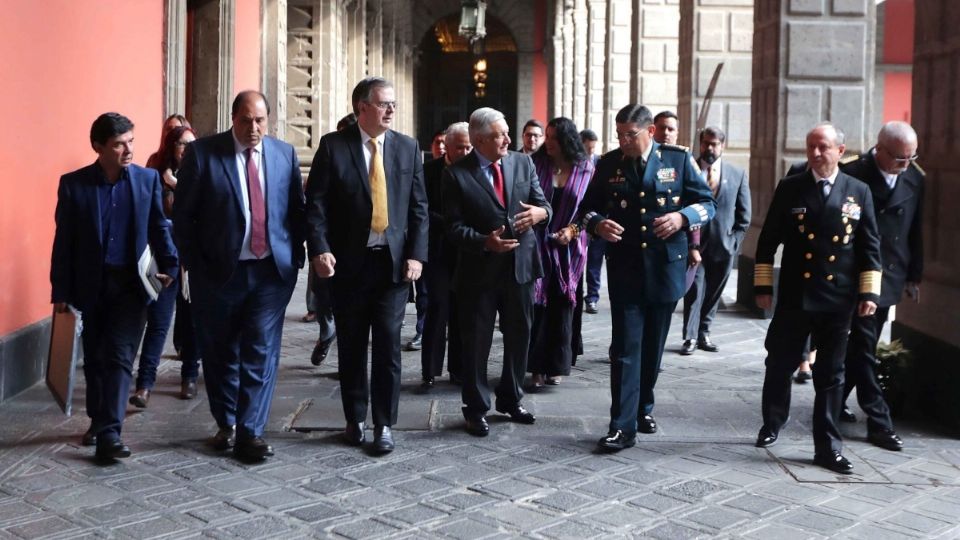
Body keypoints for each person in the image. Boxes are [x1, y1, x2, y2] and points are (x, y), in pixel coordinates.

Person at [174, 90, 306, 462]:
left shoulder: (284, 154)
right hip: (217, 274)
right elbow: (184, 217)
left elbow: (296, 209)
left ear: (269, 120)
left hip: (270, 273)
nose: (254, 128)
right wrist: (195, 264)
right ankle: (227, 422)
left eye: (260, 120)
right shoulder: (203, 154)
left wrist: (296, 257)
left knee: (261, 350)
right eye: (246, 120)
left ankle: (251, 432)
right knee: (219, 354)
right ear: (233, 119)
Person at [578, 104, 715, 451]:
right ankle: (621, 427)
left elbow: (707, 203)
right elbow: (587, 209)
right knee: (624, 349)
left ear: (650, 132)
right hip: (625, 269)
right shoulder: (608, 164)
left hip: (666, 268)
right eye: (619, 134)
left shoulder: (678, 161)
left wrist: (682, 218)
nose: (623, 141)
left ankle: (643, 407)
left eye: (631, 135)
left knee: (653, 348)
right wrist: (597, 224)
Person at [306, 77, 428, 454]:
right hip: (349, 266)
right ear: (362, 107)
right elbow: (317, 205)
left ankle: (384, 424)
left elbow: (419, 209)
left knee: (389, 347)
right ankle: (354, 418)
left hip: (391, 267)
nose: (391, 110)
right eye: (383, 104)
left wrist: (416, 255)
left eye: (393, 104)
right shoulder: (333, 146)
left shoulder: (407, 148)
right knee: (353, 346)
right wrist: (320, 248)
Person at [753, 122, 882, 475]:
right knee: (779, 363)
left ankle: (828, 447)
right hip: (796, 296)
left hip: (838, 300)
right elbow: (768, 242)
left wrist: (869, 291)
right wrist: (763, 287)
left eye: (822, 147)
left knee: (831, 374)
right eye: (810, 146)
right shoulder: (791, 187)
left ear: (840, 151)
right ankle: (772, 422)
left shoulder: (858, 191)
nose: (814, 153)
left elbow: (870, 245)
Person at [51, 112, 178, 461]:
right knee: (94, 358)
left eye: (131, 142)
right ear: (98, 146)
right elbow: (64, 242)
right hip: (90, 285)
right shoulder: (74, 186)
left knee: (121, 356)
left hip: (131, 284)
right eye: (119, 144)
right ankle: (98, 418)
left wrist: (169, 264)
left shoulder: (146, 180)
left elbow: (159, 226)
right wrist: (60, 292)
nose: (128, 150)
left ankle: (110, 433)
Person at [443, 107, 552, 437]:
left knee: (520, 335)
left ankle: (511, 398)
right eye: (499, 135)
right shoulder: (455, 174)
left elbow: (544, 205)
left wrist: (538, 214)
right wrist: (483, 242)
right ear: (478, 140)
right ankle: (475, 408)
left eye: (507, 133)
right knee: (477, 341)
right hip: (479, 271)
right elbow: (451, 228)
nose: (507, 139)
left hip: (520, 266)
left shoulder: (522, 162)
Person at [835, 121, 924, 450]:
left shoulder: (915, 177)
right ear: (880, 149)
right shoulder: (853, 175)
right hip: (855, 275)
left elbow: (916, 230)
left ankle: (833, 399)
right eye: (900, 158)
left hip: (889, 275)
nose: (906, 164)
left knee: (862, 345)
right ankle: (878, 420)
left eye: (912, 157)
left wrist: (915, 274)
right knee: (863, 346)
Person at [131, 125, 201, 405]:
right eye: (182, 143)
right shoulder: (153, 177)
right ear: (171, 145)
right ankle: (144, 385)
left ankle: (190, 377)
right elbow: (152, 221)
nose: (187, 148)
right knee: (158, 323)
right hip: (165, 261)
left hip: (193, 261)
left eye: (192, 144)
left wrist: (177, 185)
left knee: (193, 323)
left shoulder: (200, 175)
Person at [527, 118, 594, 388]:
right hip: (537, 245)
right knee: (537, 307)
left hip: (570, 251)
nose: (548, 143)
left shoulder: (586, 169)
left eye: (554, 138)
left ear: (567, 141)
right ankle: (535, 367)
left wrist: (573, 231)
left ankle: (555, 366)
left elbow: (590, 209)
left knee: (562, 308)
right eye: (547, 137)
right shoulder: (536, 164)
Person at [680, 127, 751, 355]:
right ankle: (689, 337)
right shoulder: (689, 170)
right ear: (700, 144)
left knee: (713, 293)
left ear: (723, 146)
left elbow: (744, 215)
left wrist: (734, 243)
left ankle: (704, 333)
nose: (709, 148)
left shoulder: (737, 173)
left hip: (723, 246)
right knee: (694, 290)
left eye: (714, 144)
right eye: (706, 143)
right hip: (694, 245)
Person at [420, 122, 472, 390]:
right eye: (460, 147)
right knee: (437, 307)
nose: (465, 151)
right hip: (439, 249)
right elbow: (421, 209)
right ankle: (430, 369)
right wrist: (452, 224)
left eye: (468, 146)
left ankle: (458, 369)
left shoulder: (477, 169)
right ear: (447, 147)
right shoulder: (429, 171)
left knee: (463, 310)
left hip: (468, 251)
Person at [306, 113, 357, 366]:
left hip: (356, 248)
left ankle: (346, 357)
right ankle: (327, 332)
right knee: (322, 295)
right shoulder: (330, 151)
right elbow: (315, 201)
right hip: (328, 243)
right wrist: (318, 246)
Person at [580, 128, 604, 315]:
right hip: (578, 219)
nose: (591, 152)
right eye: (588, 148)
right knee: (579, 257)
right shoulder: (575, 164)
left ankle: (592, 297)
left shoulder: (601, 163)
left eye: (593, 148)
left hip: (596, 219)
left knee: (595, 259)